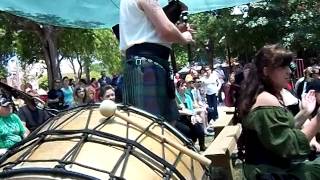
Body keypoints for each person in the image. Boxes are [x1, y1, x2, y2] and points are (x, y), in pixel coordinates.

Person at [238, 44, 320, 179]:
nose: (289, 71)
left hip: (275, 168)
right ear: (265, 71)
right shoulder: (266, 99)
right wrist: (317, 120)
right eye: (282, 67)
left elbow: (281, 131)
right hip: (269, 173)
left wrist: (305, 112)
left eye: (288, 66)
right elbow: (290, 147)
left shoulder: (265, 94)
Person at [120, 0, 194, 123]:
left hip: (145, 65)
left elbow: (150, 32)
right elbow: (166, 31)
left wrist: (176, 31)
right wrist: (184, 38)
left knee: (157, 126)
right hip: (147, 66)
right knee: (152, 127)